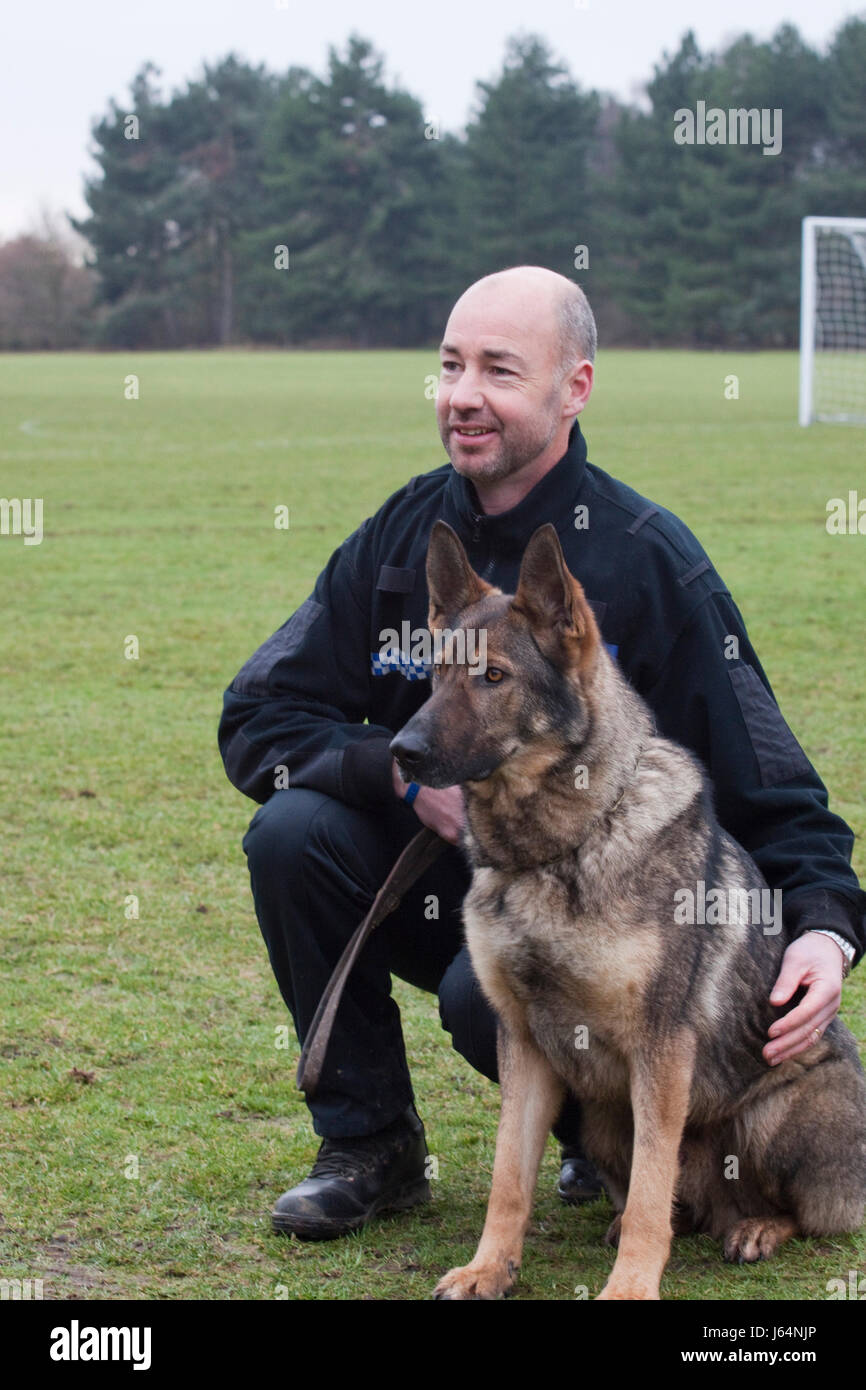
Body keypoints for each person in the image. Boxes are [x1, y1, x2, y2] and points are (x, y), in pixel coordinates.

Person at [218, 266, 865, 1241]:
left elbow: (771, 783)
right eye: (449, 366)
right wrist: (394, 774)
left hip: (592, 925)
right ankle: (369, 1143)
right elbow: (257, 712)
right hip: (436, 883)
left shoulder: (651, 560)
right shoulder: (401, 538)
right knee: (290, 832)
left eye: (498, 369)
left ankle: (597, 1140)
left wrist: (823, 928)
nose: (462, 394)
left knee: (487, 997)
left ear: (574, 388)